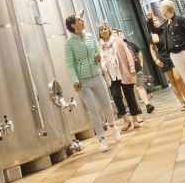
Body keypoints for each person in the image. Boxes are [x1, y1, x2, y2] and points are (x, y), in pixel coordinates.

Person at [64, 14, 121, 152]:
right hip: (82, 81)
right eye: (79, 20)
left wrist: (98, 58)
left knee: (107, 105)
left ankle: (113, 127)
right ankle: (101, 139)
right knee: (93, 109)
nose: (82, 21)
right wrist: (75, 81)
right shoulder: (69, 43)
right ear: (73, 25)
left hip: (97, 76)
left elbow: (97, 55)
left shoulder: (90, 37)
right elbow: (70, 64)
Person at [98, 24, 141, 132]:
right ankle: (126, 120)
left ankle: (135, 119)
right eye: (101, 30)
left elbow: (128, 54)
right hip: (111, 76)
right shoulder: (99, 45)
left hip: (123, 72)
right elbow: (100, 60)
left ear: (109, 30)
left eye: (105, 28)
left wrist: (132, 67)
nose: (103, 31)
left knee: (130, 96)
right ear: (99, 32)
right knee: (116, 97)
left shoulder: (118, 40)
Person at [146, 13, 185, 111]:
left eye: (156, 20)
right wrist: (156, 60)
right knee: (172, 81)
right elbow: (152, 49)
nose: (155, 23)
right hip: (163, 58)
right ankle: (182, 103)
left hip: (173, 55)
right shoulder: (153, 36)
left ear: (160, 21)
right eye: (153, 22)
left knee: (178, 78)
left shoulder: (166, 29)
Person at [120, 32, 155, 115]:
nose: (119, 35)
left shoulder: (130, 44)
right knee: (132, 91)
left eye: (119, 34)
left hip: (137, 69)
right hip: (126, 72)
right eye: (115, 34)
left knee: (140, 87)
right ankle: (136, 109)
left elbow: (139, 51)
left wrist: (141, 63)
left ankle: (147, 105)